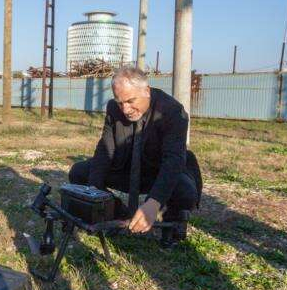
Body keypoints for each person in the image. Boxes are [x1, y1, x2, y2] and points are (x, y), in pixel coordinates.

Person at [68, 65, 202, 248]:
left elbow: (173, 162)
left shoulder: (172, 112)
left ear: (146, 91)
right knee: (80, 173)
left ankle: (172, 224)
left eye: (131, 101)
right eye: (120, 102)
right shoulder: (114, 108)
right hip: (126, 167)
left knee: (185, 190)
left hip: (156, 172)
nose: (125, 109)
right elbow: (105, 148)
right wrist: (94, 189)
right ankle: (118, 215)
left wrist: (153, 203)